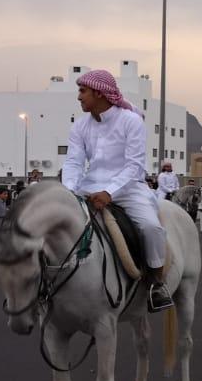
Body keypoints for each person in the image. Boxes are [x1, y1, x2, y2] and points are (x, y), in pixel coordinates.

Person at [61, 69, 173, 312]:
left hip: (128, 189)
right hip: (88, 188)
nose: (79, 97)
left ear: (99, 93)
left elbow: (134, 165)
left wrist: (109, 192)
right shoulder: (80, 126)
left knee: (151, 227)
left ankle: (156, 282)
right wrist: (68, 192)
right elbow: (73, 162)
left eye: (83, 91)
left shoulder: (131, 120)